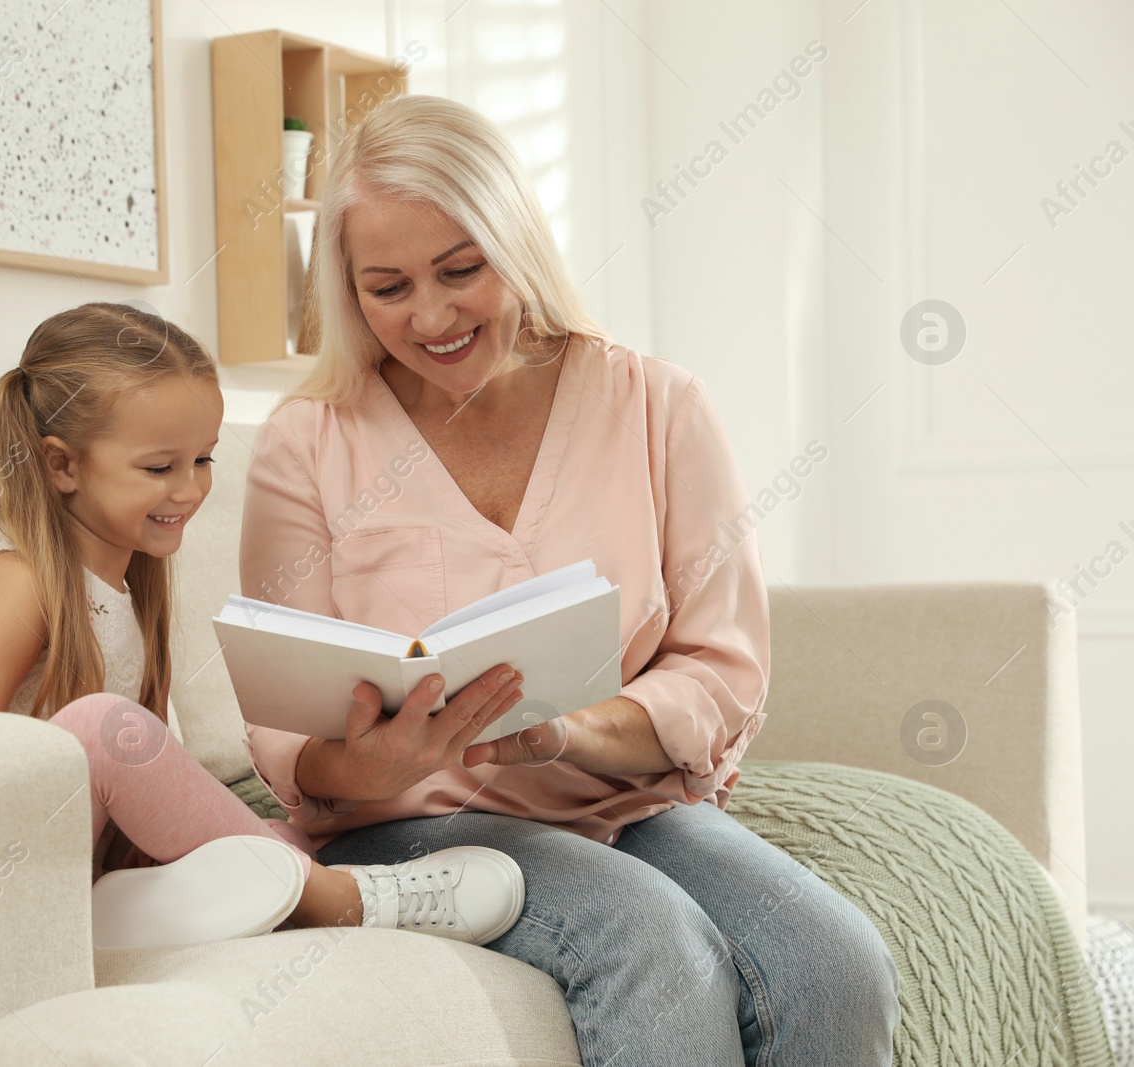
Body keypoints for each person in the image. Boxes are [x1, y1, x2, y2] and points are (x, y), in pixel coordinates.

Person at [239, 96, 899, 1065]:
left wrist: (567, 732)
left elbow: (721, 665)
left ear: (517, 239)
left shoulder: (656, 407)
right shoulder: (307, 441)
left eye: (461, 270)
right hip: (415, 826)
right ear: (347, 290)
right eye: (387, 287)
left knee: (836, 958)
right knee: (653, 944)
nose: (430, 315)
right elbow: (279, 712)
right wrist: (369, 765)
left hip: (620, 804)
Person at [0, 302, 527, 951]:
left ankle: (131, 911)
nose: (190, 489)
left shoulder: (121, 592)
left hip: (58, 867)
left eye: (204, 460)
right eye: (159, 467)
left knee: (274, 838)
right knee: (102, 729)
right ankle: (339, 900)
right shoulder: (18, 583)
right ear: (63, 466)